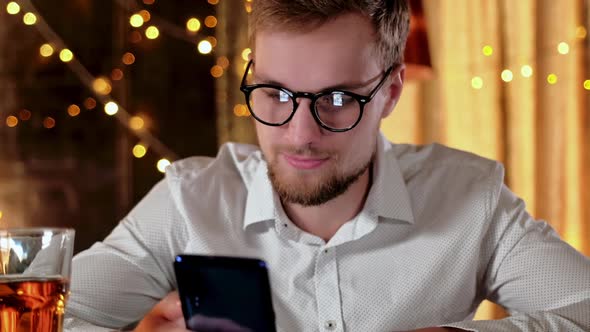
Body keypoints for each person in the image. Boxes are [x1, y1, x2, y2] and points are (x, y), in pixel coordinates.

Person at [64, 0, 590, 331]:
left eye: (337, 99)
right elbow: (54, 319)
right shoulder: (189, 201)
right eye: (274, 94)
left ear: (390, 92)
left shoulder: (469, 198)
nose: (299, 134)